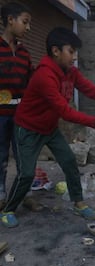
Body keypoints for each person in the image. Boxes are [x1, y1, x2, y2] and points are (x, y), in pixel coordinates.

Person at [0, 27, 95, 228]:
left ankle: (78, 202)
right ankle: (8, 209)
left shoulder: (71, 72)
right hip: (27, 129)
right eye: (71, 51)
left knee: (70, 162)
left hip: (49, 128)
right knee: (26, 174)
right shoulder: (44, 75)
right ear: (56, 51)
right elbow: (64, 111)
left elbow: (92, 90)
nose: (74, 57)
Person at [0, 2, 41, 212]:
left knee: (25, 155)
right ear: (10, 20)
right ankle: (1, 196)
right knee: (1, 157)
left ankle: (27, 194)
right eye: (25, 22)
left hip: (21, 115)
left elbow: (31, 81)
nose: (28, 28)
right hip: (0, 114)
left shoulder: (24, 53)